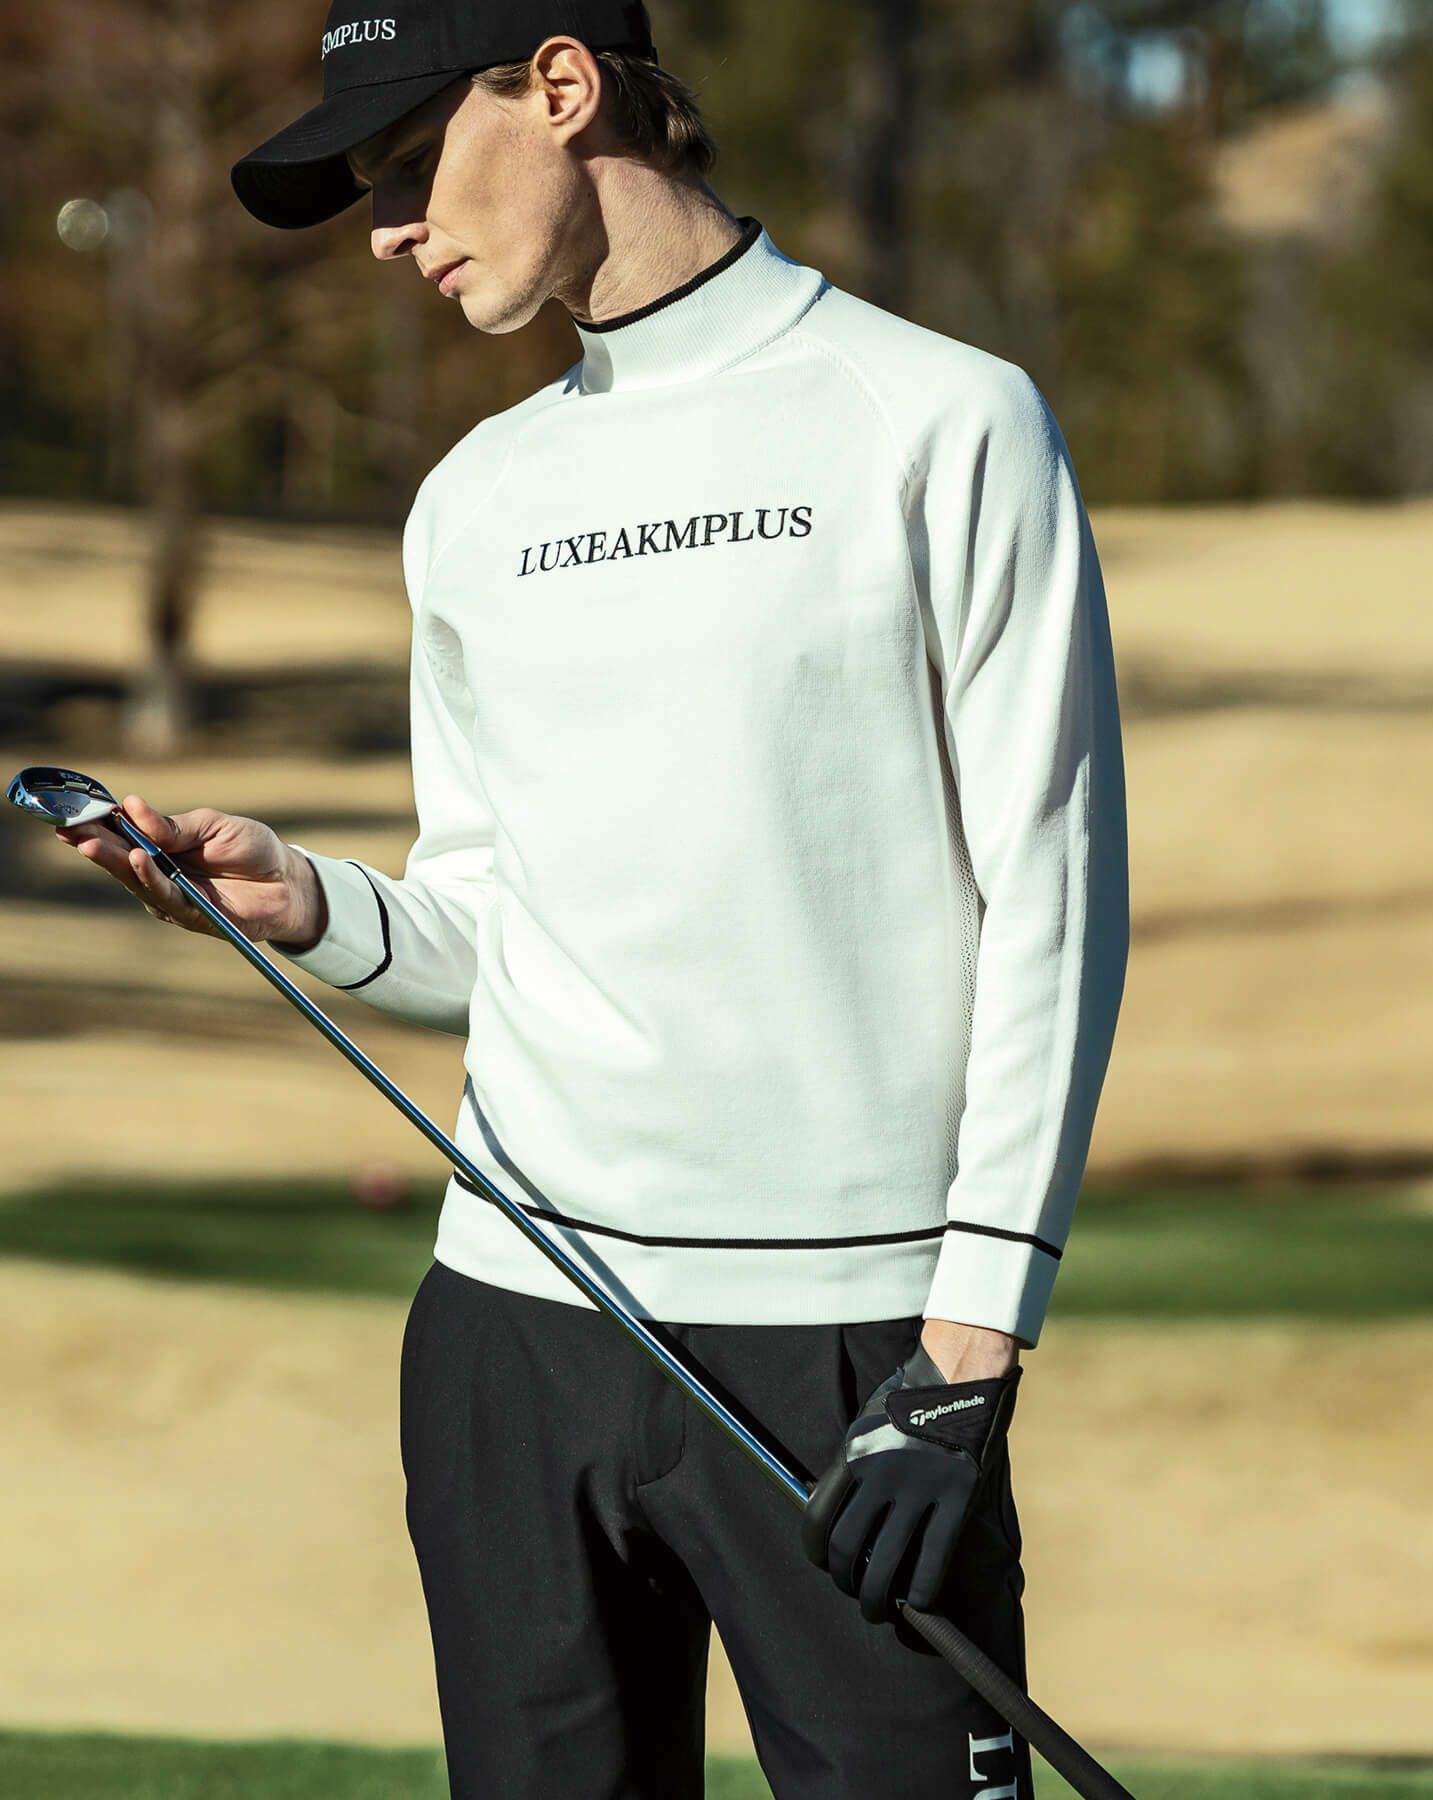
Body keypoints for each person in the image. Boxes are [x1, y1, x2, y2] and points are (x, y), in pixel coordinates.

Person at [55, 2, 1130, 1794]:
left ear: (561, 87)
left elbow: (1056, 901)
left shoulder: (941, 418)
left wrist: (965, 1358)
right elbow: (495, 917)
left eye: (408, 166)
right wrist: (307, 903)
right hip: (510, 1330)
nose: (388, 231)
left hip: (852, 1354)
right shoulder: (474, 497)